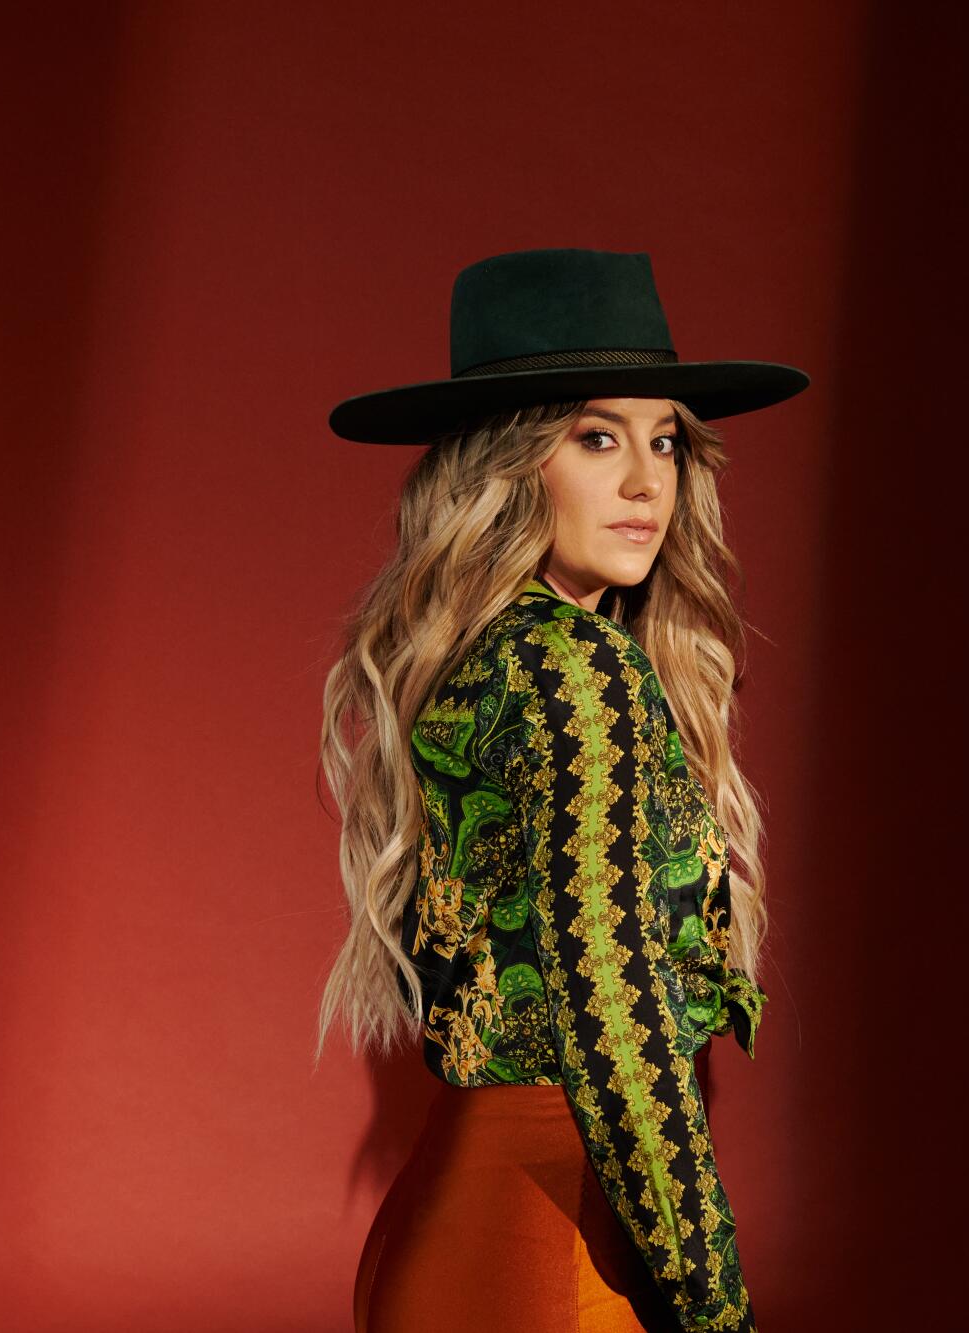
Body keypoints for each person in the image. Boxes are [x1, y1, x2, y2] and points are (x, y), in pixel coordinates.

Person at [316, 248, 808, 1333]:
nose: (646, 481)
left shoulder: (483, 658)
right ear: (509, 462)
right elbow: (619, 1029)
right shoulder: (575, 674)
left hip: (455, 1221)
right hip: (553, 1257)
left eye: (664, 440)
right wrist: (716, 1311)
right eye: (596, 438)